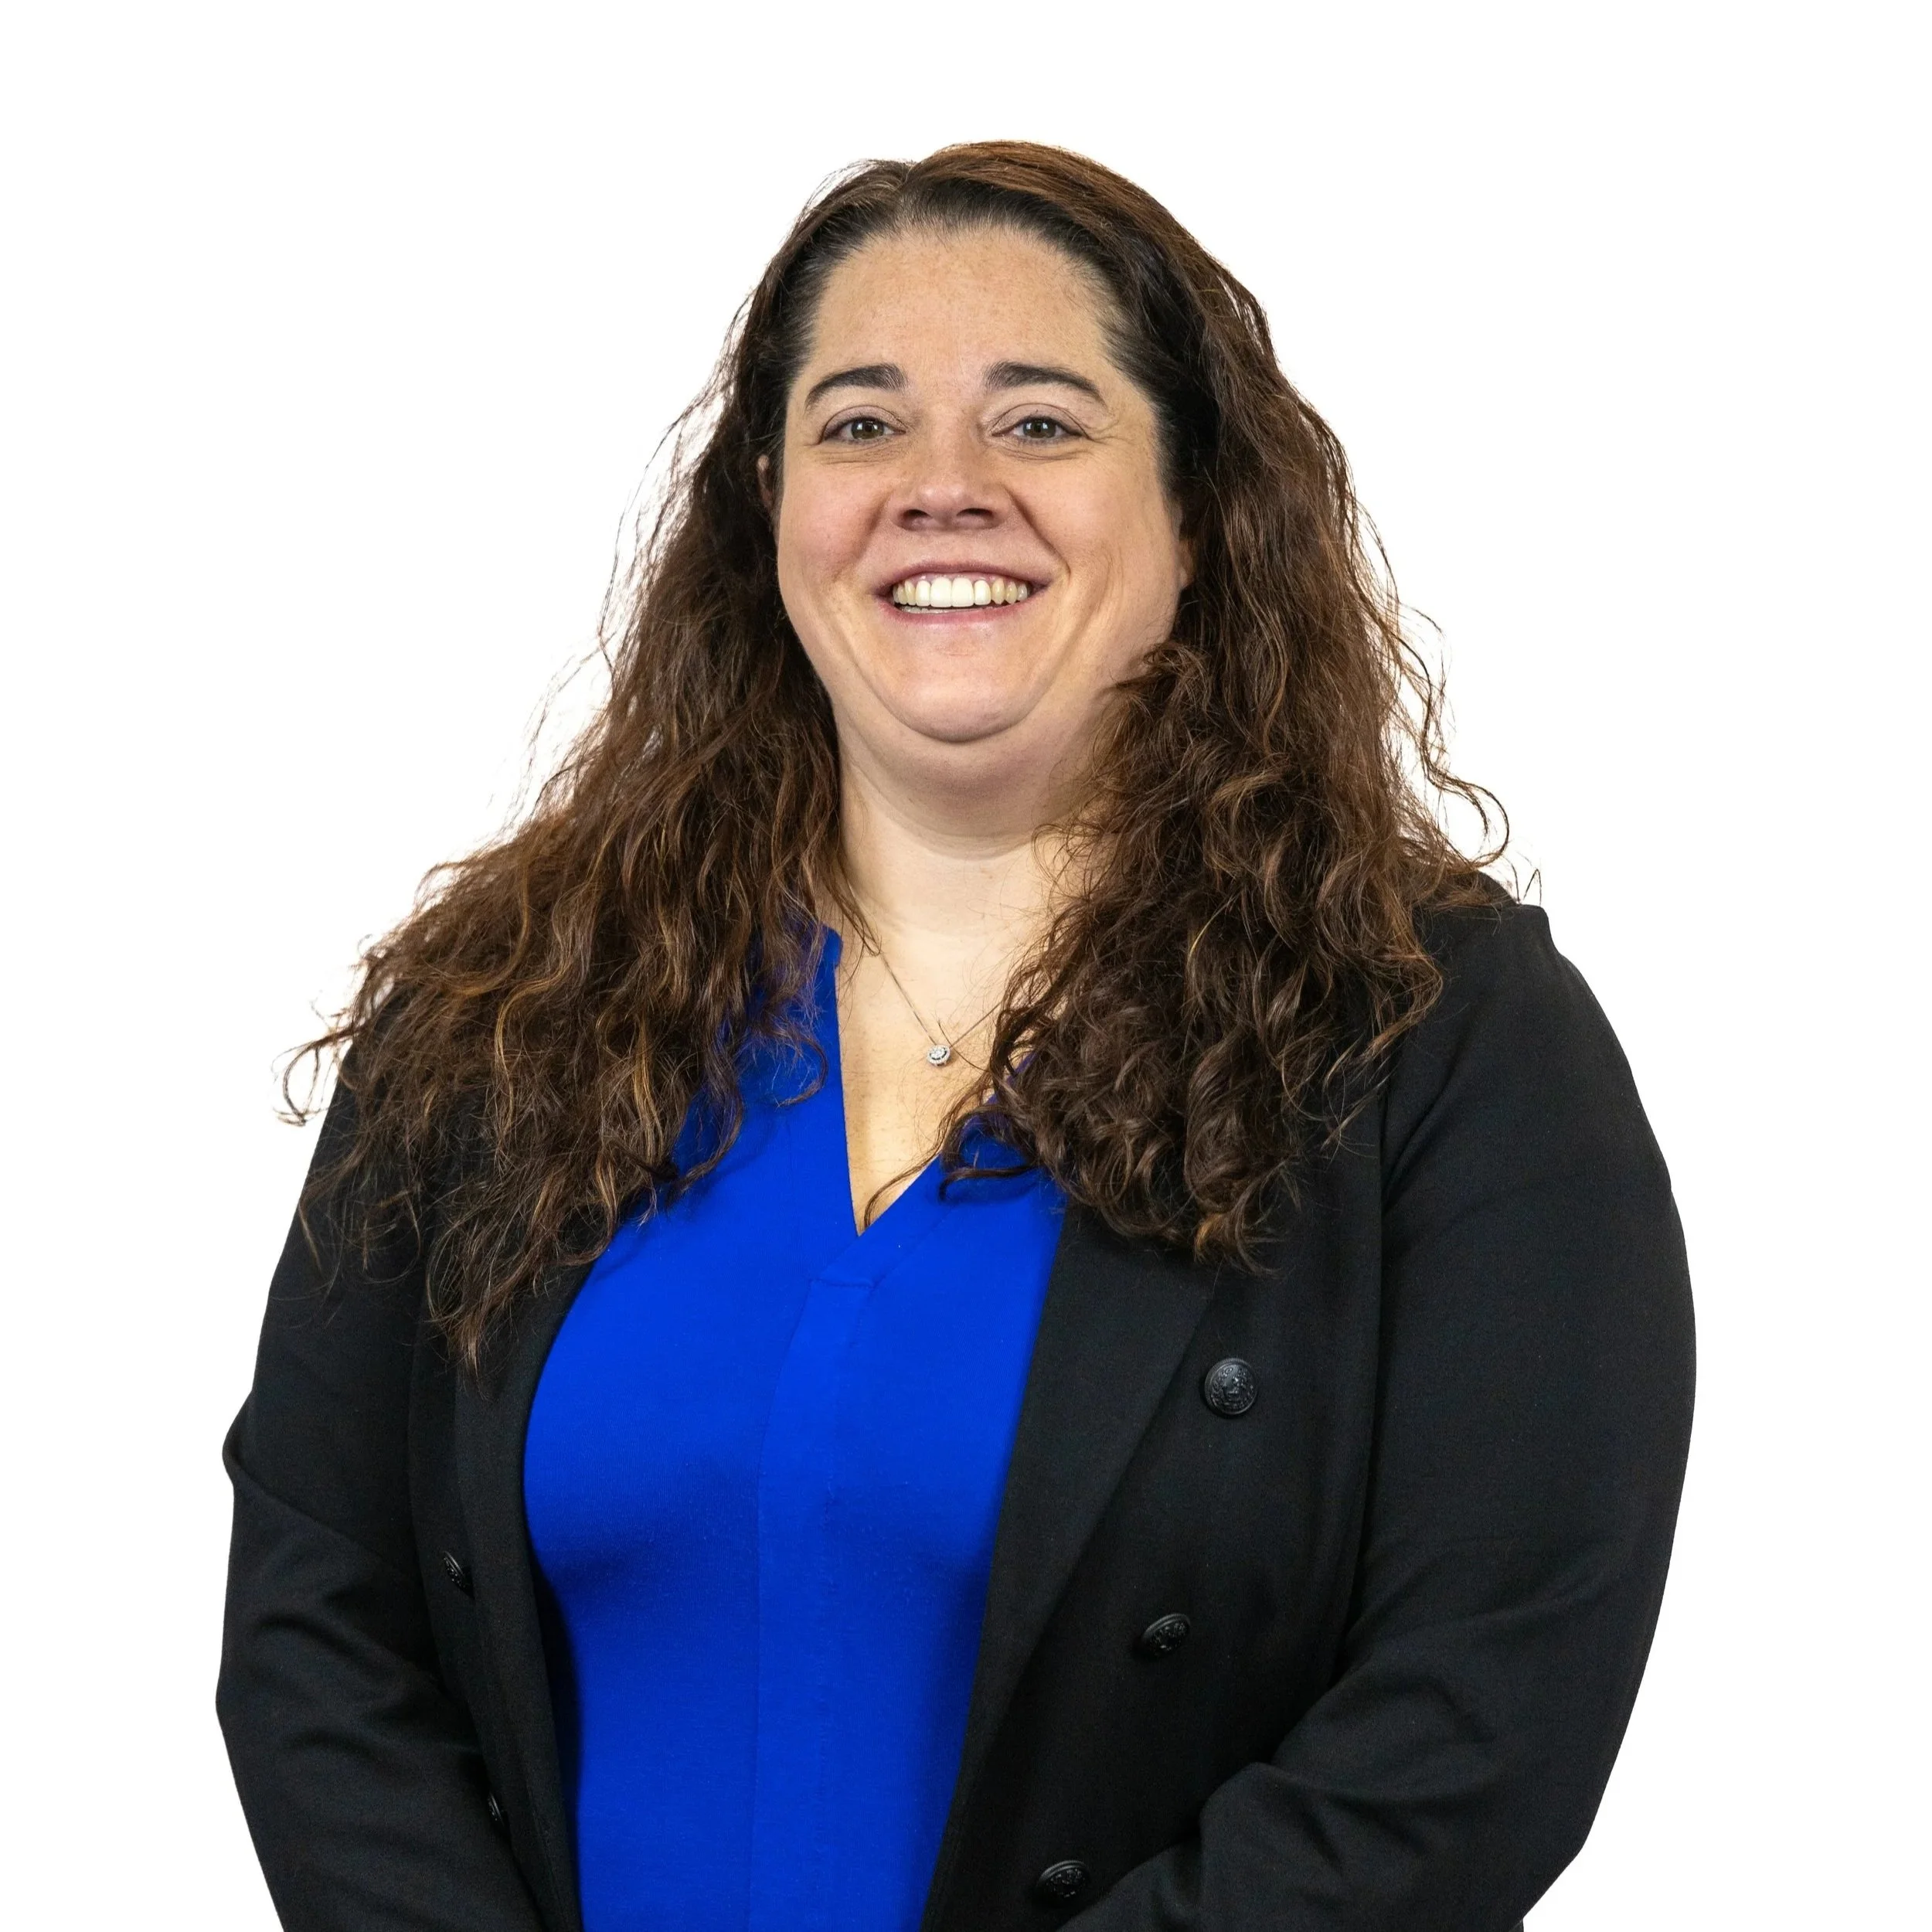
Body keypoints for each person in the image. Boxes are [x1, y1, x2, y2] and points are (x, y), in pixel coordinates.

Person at [217, 141, 1695, 1932]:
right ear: (763, 507)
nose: (940, 489)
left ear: (1197, 513)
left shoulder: (1439, 1044)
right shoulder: (502, 1011)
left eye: (1040, 424)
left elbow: (1471, 1728)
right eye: (857, 427)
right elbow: (319, 1621)